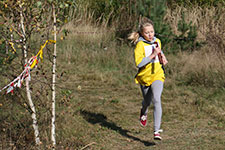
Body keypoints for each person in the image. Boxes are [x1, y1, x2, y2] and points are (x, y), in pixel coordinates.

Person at [128, 17, 168, 140]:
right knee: (147, 101)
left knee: (157, 99)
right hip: (145, 77)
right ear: (142, 33)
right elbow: (139, 63)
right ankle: (143, 111)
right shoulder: (140, 45)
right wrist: (153, 55)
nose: (150, 34)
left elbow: (159, 52)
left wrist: (163, 57)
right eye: (147, 32)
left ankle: (157, 131)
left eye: (152, 31)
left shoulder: (158, 41)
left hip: (157, 75)